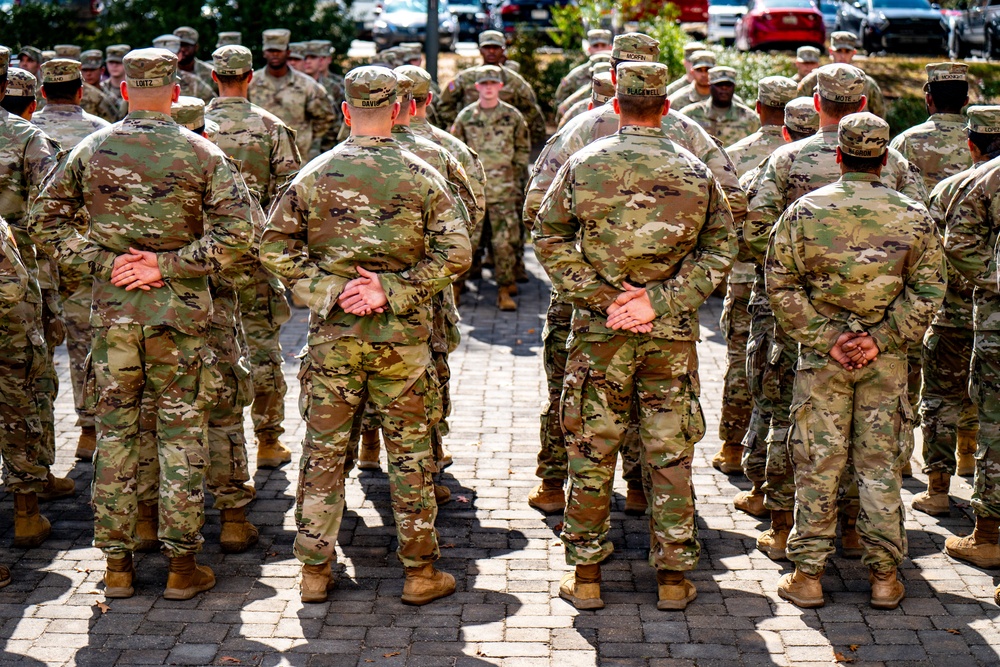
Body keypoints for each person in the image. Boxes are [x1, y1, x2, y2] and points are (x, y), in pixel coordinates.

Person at [28, 47, 255, 600]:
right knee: (181, 437)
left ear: (123, 89)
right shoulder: (201, 151)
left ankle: (117, 567)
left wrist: (107, 263)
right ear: (175, 92)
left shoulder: (92, 147)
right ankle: (182, 569)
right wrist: (169, 264)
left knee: (117, 437)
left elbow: (43, 221)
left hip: (114, 319)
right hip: (181, 321)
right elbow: (239, 232)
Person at [260, 66, 471, 605]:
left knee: (324, 453)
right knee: (410, 456)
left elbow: (274, 247)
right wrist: (392, 290)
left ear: (346, 110)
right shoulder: (423, 173)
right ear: (399, 111)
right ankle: (420, 573)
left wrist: (330, 290)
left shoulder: (315, 174)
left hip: (334, 342)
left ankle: (313, 571)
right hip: (403, 347)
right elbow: (458, 253)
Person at [534, 61, 736, 612]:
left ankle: (587, 576)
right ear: (667, 108)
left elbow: (547, 236)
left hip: (600, 332)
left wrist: (604, 298)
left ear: (616, 106)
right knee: (669, 452)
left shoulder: (582, 162)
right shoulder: (696, 168)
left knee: (592, 449)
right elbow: (722, 248)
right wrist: (660, 299)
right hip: (668, 336)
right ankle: (673, 579)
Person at [745, 64, 926, 563]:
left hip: (800, 320)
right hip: (883, 327)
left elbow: (758, 234)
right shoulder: (897, 168)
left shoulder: (787, 159)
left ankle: (786, 529)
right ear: (864, 105)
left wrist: (817, 285)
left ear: (818, 102)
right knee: (875, 442)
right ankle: (855, 531)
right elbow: (923, 249)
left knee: (797, 422)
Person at [768, 112, 945, 610]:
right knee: (880, 466)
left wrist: (827, 337)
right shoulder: (913, 214)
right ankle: (885, 578)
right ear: (885, 158)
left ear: (840, 156)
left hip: (823, 363)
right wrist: (882, 338)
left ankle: (807, 576)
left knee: (818, 464)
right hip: (885, 364)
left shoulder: (804, 212)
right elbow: (930, 288)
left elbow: (780, 285)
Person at [206, 44, 303, 470]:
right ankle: (268, 440)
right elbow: (290, 198)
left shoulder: (191, 125)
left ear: (214, 77)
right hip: (254, 256)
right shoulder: (271, 127)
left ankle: (214, 441)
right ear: (250, 77)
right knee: (262, 347)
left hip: (200, 261)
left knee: (208, 350)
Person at [732, 95, 819, 518]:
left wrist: (781, 272)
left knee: (776, 398)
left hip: (780, 305)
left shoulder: (776, 164)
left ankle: (771, 502)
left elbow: (748, 234)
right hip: (861, 315)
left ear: (785, 131)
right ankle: (851, 525)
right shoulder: (887, 163)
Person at [0, 46, 70, 550]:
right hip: (17, 277)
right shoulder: (25, 138)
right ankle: (27, 506)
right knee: (23, 381)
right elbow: (53, 215)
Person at [712, 75, 797, 489]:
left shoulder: (735, 156)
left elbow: (724, 220)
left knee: (742, 364)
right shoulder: (828, 158)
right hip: (810, 290)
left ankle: (732, 448)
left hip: (749, 279)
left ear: (760, 108)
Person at [912, 108, 997, 517]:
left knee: (941, 398)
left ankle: (938, 488)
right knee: (988, 401)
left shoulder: (950, 188)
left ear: (971, 144)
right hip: (988, 318)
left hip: (950, 313)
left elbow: (926, 252)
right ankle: (968, 460)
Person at [31, 57, 113, 460]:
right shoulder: (99, 133)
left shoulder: (29, 130)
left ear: (41, 93)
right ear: (81, 90)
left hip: (32, 258)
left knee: (35, 351)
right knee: (86, 342)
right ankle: (89, 430)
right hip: (83, 252)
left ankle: (37, 447)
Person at [942, 107, 1000, 586]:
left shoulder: (986, 179)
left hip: (996, 321)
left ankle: (989, 535)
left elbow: (958, 244)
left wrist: (996, 281)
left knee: (996, 425)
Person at [450, 65, 530, 312]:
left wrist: (517, 182)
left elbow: (522, 151)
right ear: (476, 87)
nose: (488, 88)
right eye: (483, 84)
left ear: (500, 87)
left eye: (492, 83)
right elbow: (454, 154)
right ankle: (456, 287)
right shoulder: (465, 117)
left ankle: (504, 289)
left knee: (504, 243)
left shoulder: (512, 116)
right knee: (467, 242)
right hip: (474, 194)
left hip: (504, 191)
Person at [436, 30, 545, 144]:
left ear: (503, 50)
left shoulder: (514, 81)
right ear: (480, 50)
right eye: (487, 47)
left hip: (503, 143)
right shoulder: (465, 78)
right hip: (470, 141)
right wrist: (461, 124)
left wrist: (513, 126)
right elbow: (444, 105)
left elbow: (531, 109)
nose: (491, 51)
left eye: (496, 47)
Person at [249, 29, 336, 160]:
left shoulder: (306, 85)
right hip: (259, 159)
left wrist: (305, 138)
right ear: (264, 53)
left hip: (297, 158)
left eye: (279, 51)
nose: (275, 55)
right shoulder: (252, 83)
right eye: (271, 51)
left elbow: (326, 117)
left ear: (287, 52)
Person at [797, 32, 885, 118]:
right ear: (831, 51)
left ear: (853, 53)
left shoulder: (867, 83)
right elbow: (797, 108)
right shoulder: (815, 79)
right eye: (839, 51)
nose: (842, 56)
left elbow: (879, 115)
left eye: (847, 51)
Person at [679, 66, 758, 147]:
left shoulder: (751, 119)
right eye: (719, 84)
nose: (724, 88)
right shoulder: (689, 115)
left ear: (734, 87)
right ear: (710, 86)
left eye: (728, 85)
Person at [553, 29, 613, 108]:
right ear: (589, 49)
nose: (600, 49)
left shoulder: (619, 74)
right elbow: (559, 102)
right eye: (595, 46)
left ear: (610, 47)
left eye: (603, 45)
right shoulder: (577, 74)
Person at [152, 34, 216, 104]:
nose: (164, 61)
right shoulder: (141, 80)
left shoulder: (192, 82)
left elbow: (211, 105)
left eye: (170, 55)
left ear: (179, 55)